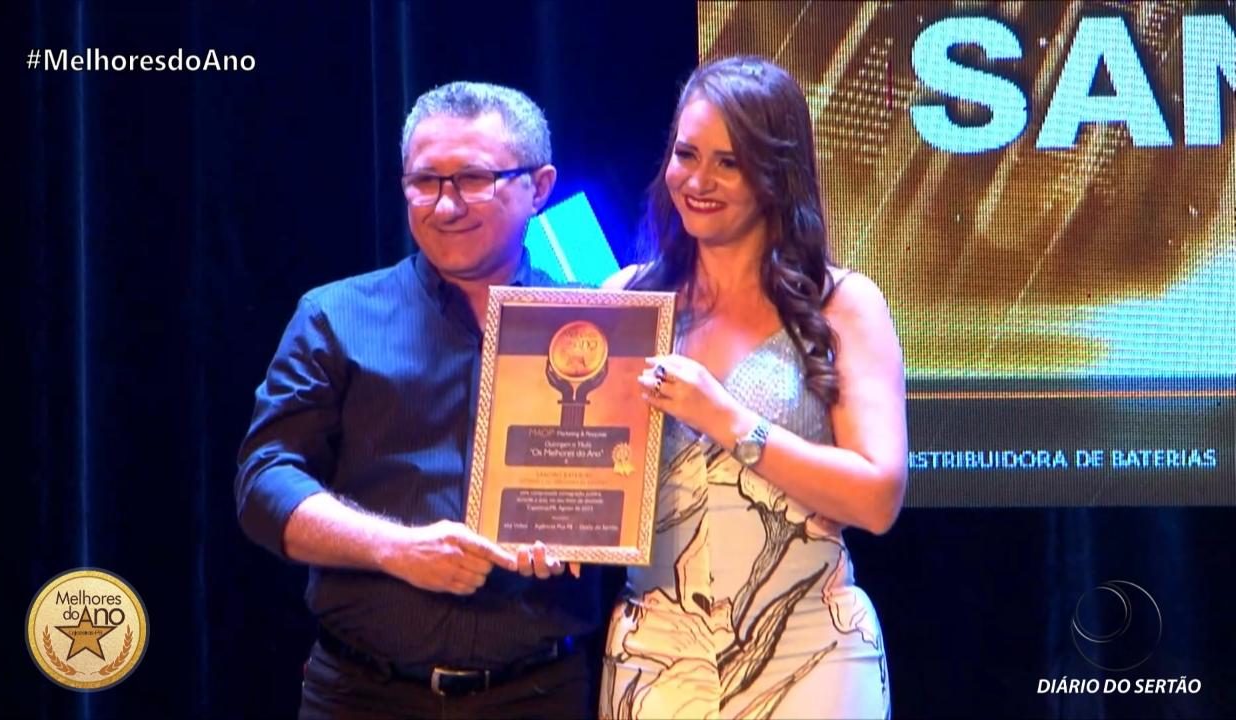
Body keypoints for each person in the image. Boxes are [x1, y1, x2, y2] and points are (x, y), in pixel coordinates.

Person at [235, 81, 603, 720]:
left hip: (539, 695)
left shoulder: (597, 327)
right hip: (360, 696)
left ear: (539, 187)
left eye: (474, 179)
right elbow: (264, 485)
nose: (446, 204)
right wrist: (395, 548)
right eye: (425, 181)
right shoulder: (335, 315)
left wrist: (587, 529)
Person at [599, 56, 907, 719]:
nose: (697, 181)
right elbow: (593, 478)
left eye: (728, 163)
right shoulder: (626, 299)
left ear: (775, 172)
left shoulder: (843, 303)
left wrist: (728, 419)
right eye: (686, 155)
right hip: (655, 655)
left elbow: (879, 498)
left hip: (812, 648)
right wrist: (553, 527)